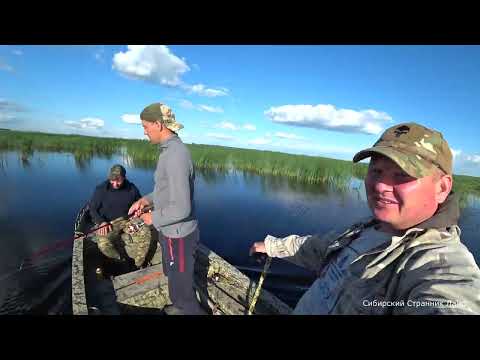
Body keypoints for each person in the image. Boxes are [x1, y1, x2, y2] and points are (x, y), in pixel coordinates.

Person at [250, 122, 480, 315]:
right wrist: (272, 246)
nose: (380, 186)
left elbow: (451, 300)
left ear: (442, 187)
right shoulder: (364, 230)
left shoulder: (438, 262)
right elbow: (317, 248)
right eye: (376, 171)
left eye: (402, 175)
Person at [128, 103, 205, 315]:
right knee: (173, 279)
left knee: (183, 293)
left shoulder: (175, 155)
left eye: (145, 126)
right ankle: (178, 307)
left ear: (158, 124)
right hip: (169, 231)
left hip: (179, 236)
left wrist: (152, 218)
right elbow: (166, 191)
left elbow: (182, 208)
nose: (144, 131)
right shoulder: (168, 151)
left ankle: (184, 308)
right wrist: (146, 201)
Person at [89, 164, 151, 268]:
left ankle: (138, 264)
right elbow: (92, 209)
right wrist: (101, 222)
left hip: (128, 220)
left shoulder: (132, 188)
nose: (115, 183)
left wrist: (140, 212)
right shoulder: (101, 189)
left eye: (118, 180)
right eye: (112, 180)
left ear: (124, 177)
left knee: (146, 232)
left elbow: (140, 203)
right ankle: (120, 259)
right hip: (109, 223)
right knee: (103, 243)